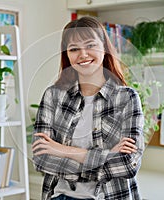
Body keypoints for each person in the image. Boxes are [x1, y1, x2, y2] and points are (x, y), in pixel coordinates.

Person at [32, 16, 144, 200]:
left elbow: (127, 165)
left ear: (105, 48)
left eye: (90, 45)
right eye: (74, 49)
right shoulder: (53, 96)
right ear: (66, 54)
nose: (83, 54)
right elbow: (42, 159)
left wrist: (62, 150)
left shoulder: (126, 98)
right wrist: (107, 156)